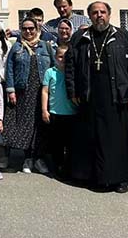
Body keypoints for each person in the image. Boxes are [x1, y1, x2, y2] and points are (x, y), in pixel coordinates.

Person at [66, 1, 128, 193]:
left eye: (102, 12)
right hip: (89, 95)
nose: (99, 15)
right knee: (90, 138)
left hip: (116, 95)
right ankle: (92, 177)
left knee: (116, 140)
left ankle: (118, 178)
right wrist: (73, 91)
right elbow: (70, 67)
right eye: (95, 12)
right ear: (89, 16)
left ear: (109, 14)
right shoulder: (80, 38)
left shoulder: (123, 37)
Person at [4, 17, 55, 174]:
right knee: (25, 124)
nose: (28, 31)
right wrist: (10, 90)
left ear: (36, 28)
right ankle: (26, 158)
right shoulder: (17, 47)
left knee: (41, 125)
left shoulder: (45, 47)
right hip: (23, 91)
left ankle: (38, 158)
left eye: (31, 28)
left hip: (42, 91)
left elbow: (54, 66)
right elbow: (9, 68)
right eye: (25, 29)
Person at [41, 45, 76, 178]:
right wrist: (44, 109)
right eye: (60, 57)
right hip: (55, 112)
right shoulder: (50, 72)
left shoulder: (72, 72)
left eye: (66, 57)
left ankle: (69, 167)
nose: (63, 60)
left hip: (71, 113)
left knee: (70, 143)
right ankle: (58, 167)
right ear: (56, 58)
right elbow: (45, 91)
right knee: (57, 143)